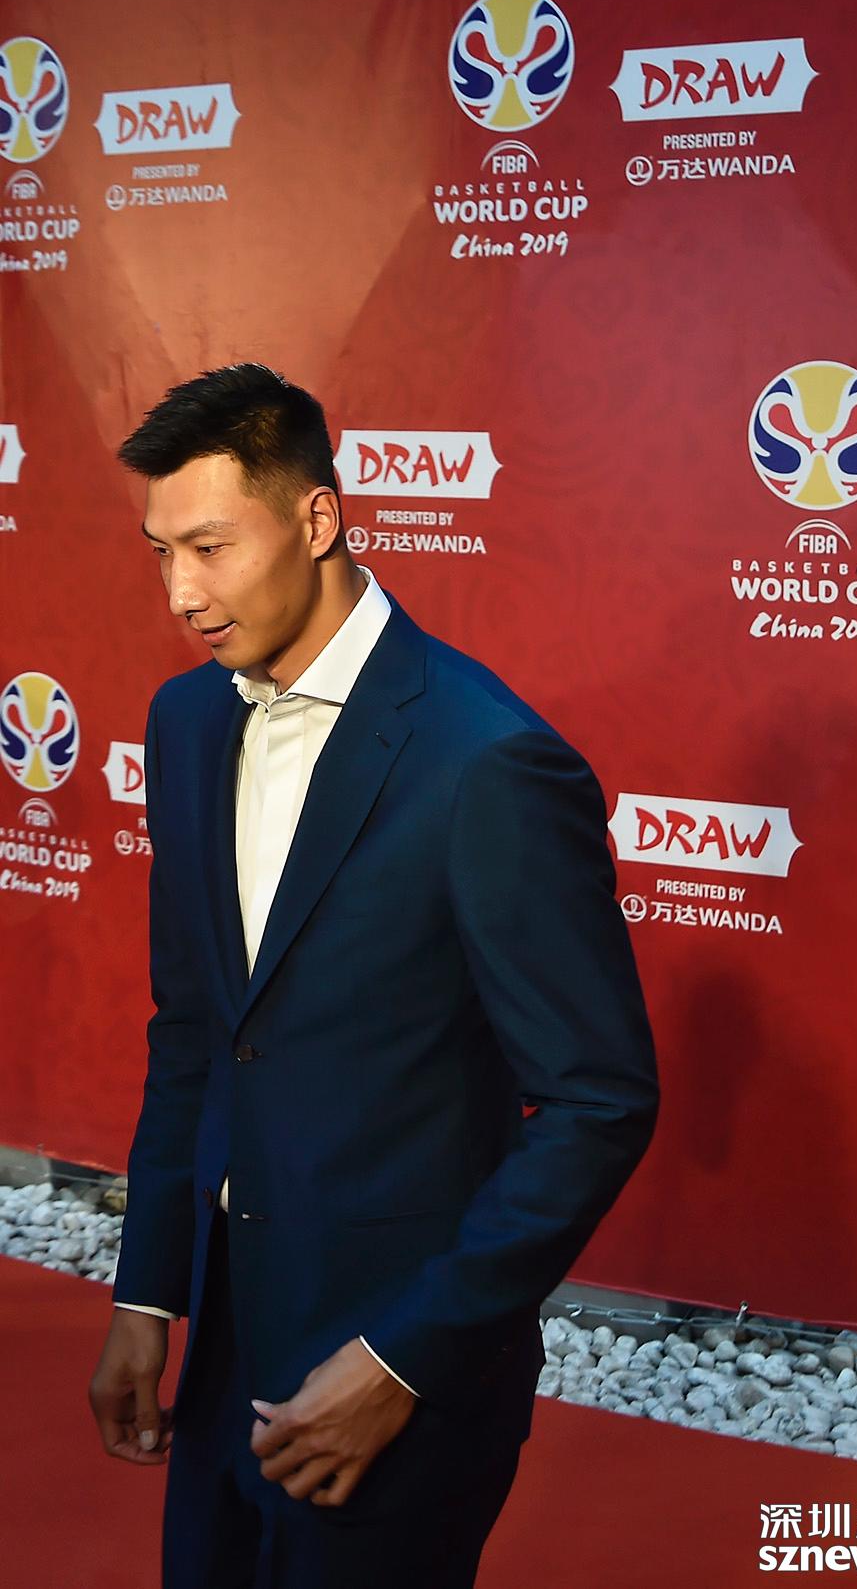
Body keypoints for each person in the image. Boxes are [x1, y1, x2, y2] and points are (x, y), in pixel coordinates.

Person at [87, 362, 660, 1588]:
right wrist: (149, 1292)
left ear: (318, 518)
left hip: (397, 1384)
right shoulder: (186, 722)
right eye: (160, 552)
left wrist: (404, 1358)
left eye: (209, 546)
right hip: (222, 1343)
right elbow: (194, 1032)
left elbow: (598, 1099)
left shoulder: (486, 760)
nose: (181, 592)